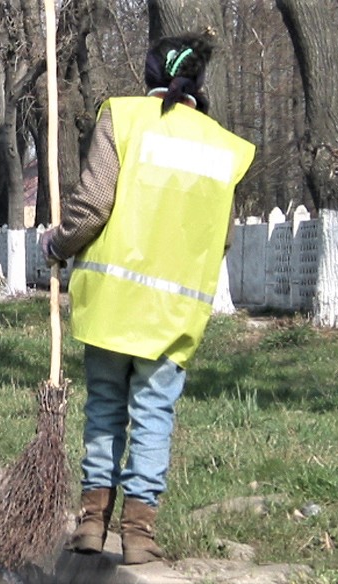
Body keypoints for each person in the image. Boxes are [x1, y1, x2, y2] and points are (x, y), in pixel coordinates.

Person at [40, 34, 255, 564]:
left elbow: (92, 204)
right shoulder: (222, 147)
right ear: (198, 83)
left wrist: (56, 243)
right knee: (153, 414)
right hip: (173, 313)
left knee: (106, 409)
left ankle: (91, 524)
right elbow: (222, 236)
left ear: (149, 74)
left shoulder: (124, 118)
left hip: (112, 304)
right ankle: (139, 535)